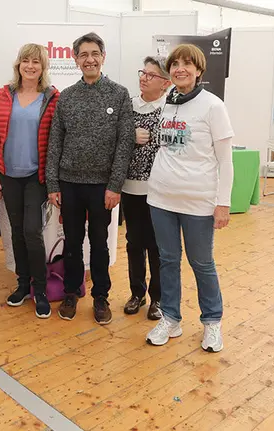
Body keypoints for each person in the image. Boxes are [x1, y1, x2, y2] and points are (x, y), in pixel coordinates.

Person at [145, 44, 234, 353]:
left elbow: (226, 161)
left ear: (199, 70)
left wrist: (223, 203)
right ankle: (171, 318)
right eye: (175, 64)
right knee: (168, 260)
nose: (180, 68)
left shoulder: (213, 106)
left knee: (201, 263)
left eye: (187, 64)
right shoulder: (167, 102)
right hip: (161, 198)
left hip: (198, 201)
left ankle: (212, 322)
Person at [46, 32, 135, 325]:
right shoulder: (67, 96)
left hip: (102, 187)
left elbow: (124, 143)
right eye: (83, 55)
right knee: (72, 243)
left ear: (103, 57)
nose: (90, 60)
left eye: (95, 53)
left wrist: (115, 185)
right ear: (75, 60)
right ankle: (71, 293)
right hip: (69, 183)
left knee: (99, 243)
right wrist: (53, 184)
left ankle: (100, 297)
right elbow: (55, 142)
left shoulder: (119, 94)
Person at [0, 43, 59, 319]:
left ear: (43, 67)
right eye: (26, 61)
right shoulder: (4, 94)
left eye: (36, 62)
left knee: (32, 231)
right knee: (16, 231)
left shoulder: (52, 98)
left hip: (35, 176)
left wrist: (53, 181)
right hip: (8, 174)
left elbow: (56, 142)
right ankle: (22, 284)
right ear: (18, 64)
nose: (30, 66)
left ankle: (39, 290)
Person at [121, 57, 171, 320]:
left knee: (157, 245)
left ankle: (158, 298)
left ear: (166, 83)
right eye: (143, 72)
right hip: (131, 187)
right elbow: (113, 138)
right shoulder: (128, 105)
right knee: (134, 242)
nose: (144, 78)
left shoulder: (171, 110)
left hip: (159, 189)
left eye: (152, 75)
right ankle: (137, 293)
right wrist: (129, 136)